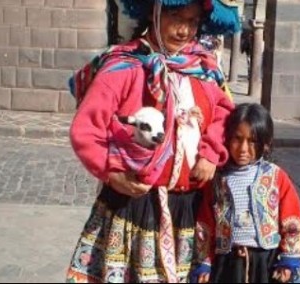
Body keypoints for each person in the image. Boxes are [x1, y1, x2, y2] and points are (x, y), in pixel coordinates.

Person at [65, 0, 240, 282]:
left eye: (193, 21)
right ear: (153, 13)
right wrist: (112, 173)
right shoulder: (126, 66)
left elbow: (223, 114)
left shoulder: (204, 68)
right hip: (134, 207)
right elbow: (86, 129)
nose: (184, 30)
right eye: (175, 17)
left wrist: (210, 153)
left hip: (191, 208)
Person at [191, 103, 300, 283]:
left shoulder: (276, 177)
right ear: (227, 138)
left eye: (252, 141)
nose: (243, 148)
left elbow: (292, 219)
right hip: (227, 264)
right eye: (237, 138)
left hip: (265, 262)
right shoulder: (218, 179)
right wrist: (204, 261)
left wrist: (288, 259)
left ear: (265, 144)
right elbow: (205, 223)